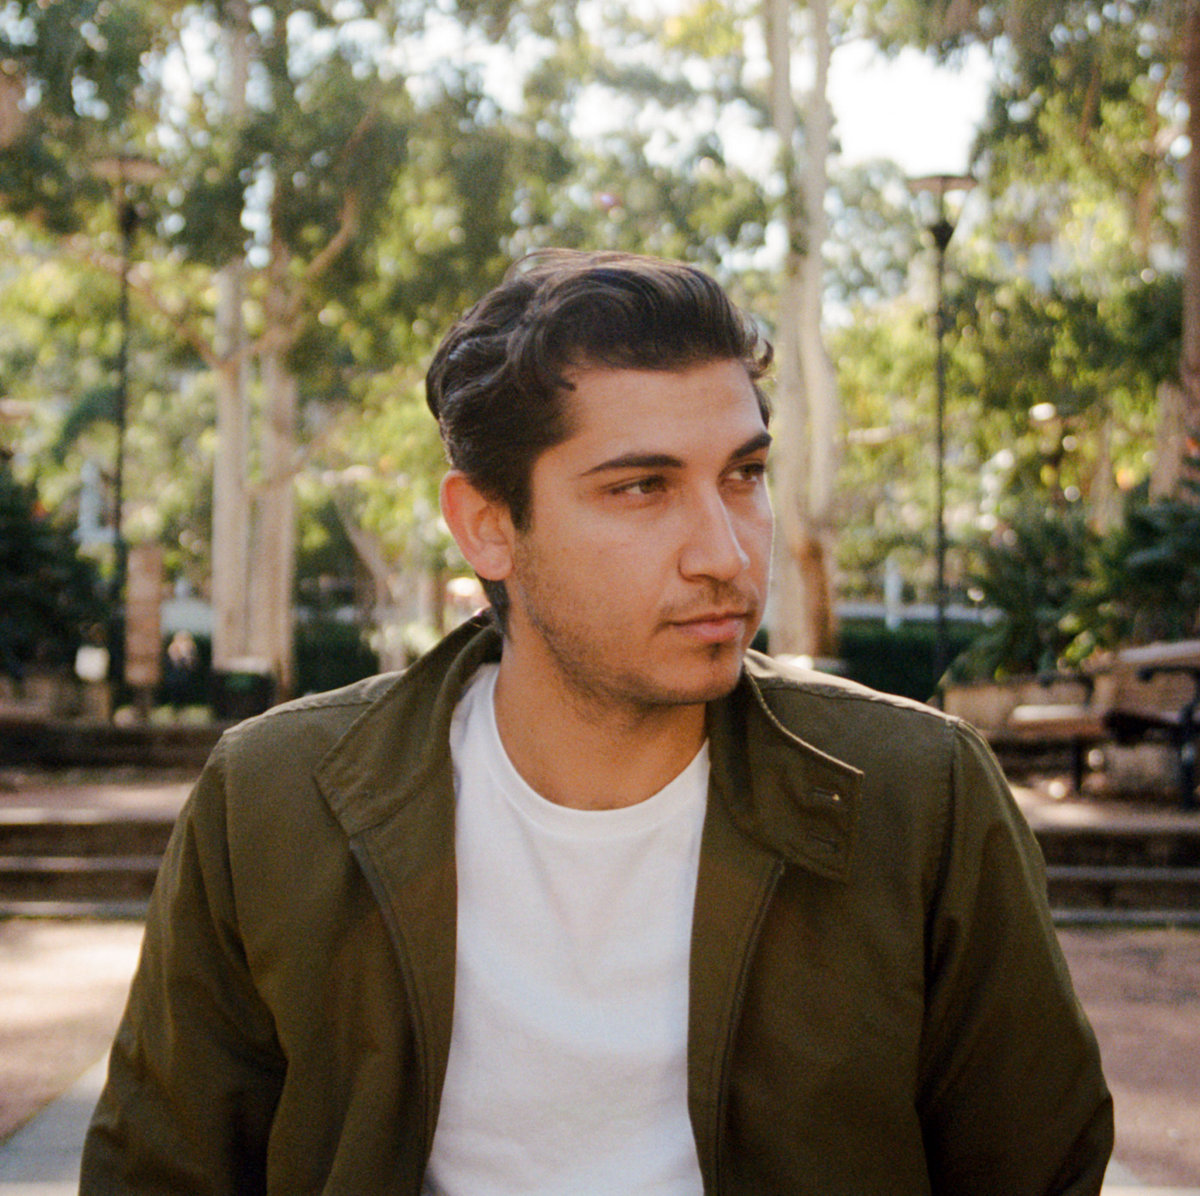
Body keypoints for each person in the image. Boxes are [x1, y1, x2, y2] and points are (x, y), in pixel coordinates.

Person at [81, 250, 1113, 1194]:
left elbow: (1038, 1171)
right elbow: (160, 1176)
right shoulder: (275, 801)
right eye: (641, 488)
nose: (725, 553)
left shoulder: (919, 795)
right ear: (488, 525)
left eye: (744, 475)